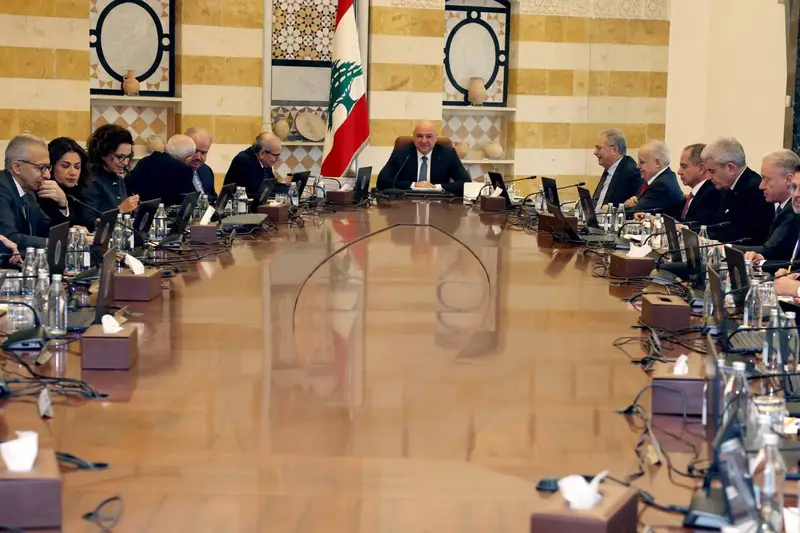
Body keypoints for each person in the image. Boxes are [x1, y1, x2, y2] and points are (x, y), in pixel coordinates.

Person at [0, 135, 69, 249]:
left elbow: (45, 228)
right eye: (41, 168)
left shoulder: (29, 192)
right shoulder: (2, 189)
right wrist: (51, 243)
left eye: (48, 167)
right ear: (17, 167)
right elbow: (9, 238)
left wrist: (62, 205)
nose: (47, 175)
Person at [702, 137, 774, 244]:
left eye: (712, 171)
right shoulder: (729, 186)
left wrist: (704, 238)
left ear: (730, 168)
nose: (708, 177)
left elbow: (738, 233)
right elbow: (719, 224)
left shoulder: (754, 189)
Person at [740, 150, 800, 272]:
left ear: (787, 180)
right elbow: (794, 264)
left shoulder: (792, 213)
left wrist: (760, 263)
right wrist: (760, 258)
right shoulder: (789, 209)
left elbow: (771, 250)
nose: (761, 186)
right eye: (794, 187)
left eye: (766, 179)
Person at [375, 121, 471, 196]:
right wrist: (413, 185)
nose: (424, 141)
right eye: (419, 136)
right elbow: (382, 181)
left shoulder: (448, 154)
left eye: (429, 136)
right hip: (406, 202)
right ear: (414, 137)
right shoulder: (401, 153)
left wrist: (437, 187)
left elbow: (466, 183)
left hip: (438, 203)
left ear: (435, 138)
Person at [83, 124, 140, 219]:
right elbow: (88, 221)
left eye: (128, 156)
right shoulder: (90, 181)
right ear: (103, 153)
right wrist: (120, 210)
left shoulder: (119, 179)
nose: (125, 162)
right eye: (120, 157)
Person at [126, 134, 196, 206]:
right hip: (168, 211)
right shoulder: (183, 169)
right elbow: (190, 199)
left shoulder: (144, 161)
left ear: (166, 147)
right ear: (188, 158)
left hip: (142, 210)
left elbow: (127, 185)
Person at [40, 137, 92, 226]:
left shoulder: (80, 191)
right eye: (65, 166)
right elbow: (50, 229)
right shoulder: (43, 191)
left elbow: (83, 223)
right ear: (50, 166)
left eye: (77, 167)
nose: (73, 172)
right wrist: (62, 204)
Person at [623, 141, 684, 216]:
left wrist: (625, 207)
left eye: (642, 162)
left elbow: (633, 213)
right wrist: (630, 203)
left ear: (657, 163)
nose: (637, 166)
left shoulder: (661, 185)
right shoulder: (658, 179)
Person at [224, 132, 287, 197]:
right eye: (276, 155)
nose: (278, 159)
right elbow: (256, 191)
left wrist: (289, 187)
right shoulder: (243, 161)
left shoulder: (265, 161)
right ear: (262, 153)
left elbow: (271, 185)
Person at [591, 128, 642, 208]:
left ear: (614, 150)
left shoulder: (631, 172)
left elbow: (637, 206)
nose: (595, 152)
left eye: (599, 148)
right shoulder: (610, 168)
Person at [676, 143, 722, 227]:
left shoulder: (712, 193)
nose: (679, 172)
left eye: (684, 166)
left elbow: (696, 226)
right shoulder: (697, 193)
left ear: (701, 169)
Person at [185, 127, 217, 197]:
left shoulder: (206, 171)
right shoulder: (172, 173)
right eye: (195, 151)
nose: (198, 157)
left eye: (203, 153)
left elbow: (213, 198)